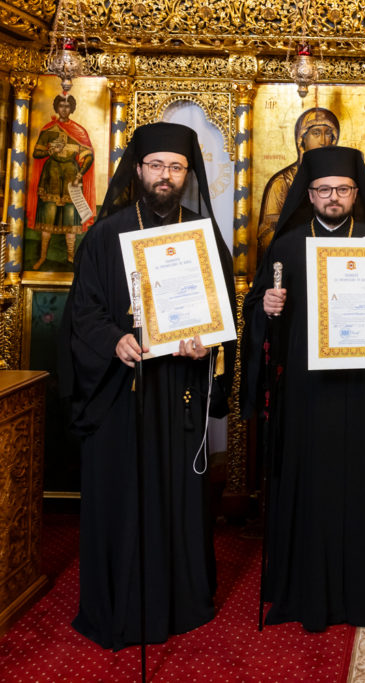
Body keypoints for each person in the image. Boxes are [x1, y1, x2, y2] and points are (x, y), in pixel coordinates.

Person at [58, 122, 235, 650]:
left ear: (188, 175)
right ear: (138, 170)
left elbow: (224, 324)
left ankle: (179, 604)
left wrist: (207, 345)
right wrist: (114, 341)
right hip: (120, 396)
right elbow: (81, 313)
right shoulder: (107, 233)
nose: (165, 176)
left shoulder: (201, 238)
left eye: (176, 167)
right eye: (156, 165)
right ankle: (118, 603)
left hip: (178, 392)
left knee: (176, 497)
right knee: (121, 498)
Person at [241, 146, 365, 630]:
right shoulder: (288, 245)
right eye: (323, 190)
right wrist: (267, 310)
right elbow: (256, 313)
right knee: (305, 481)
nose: (333, 197)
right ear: (309, 194)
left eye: (342, 189)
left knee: (352, 485)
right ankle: (299, 590)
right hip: (304, 392)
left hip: (355, 391)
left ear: (356, 193)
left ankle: (354, 593)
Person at [256, 107, 340, 263]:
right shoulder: (282, 182)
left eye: (328, 133)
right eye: (316, 133)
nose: (323, 141)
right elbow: (266, 234)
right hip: (292, 261)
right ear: (302, 138)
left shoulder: (341, 183)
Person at [28, 92, 95, 269]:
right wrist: (50, 150)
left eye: (67, 106)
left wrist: (80, 173)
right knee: (47, 218)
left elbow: (88, 155)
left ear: (71, 109)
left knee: (70, 218)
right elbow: (36, 153)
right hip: (51, 175)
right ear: (56, 107)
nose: (64, 109)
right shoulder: (48, 130)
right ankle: (42, 257)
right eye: (61, 106)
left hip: (71, 177)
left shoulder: (79, 131)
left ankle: (71, 257)